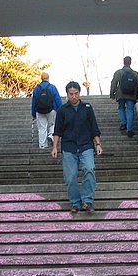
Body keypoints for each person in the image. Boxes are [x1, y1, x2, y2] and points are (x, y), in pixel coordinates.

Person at [51, 81, 102, 213]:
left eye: (76, 93)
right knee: (70, 176)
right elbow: (57, 130)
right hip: (69, 146)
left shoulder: (87, 107)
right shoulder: (62, 110)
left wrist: (98, 144)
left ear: (79, 93)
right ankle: (75, 203)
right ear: (67, 94)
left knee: (89, 169)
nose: (73, 96)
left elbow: (94, 128)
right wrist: (55, 147)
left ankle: (87, 201)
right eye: (71, 94)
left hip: (86, 145)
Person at [109, 56, 138, 137]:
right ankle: (129, 129)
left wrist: (112, 93)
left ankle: (123, 123)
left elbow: (114, 83)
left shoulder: (118, 72)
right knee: (130, 110)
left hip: (121, 94)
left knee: (121, 108)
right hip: (131, 94)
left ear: (123, 62)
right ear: (130, 62)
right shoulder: (135, 73)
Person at [30, 71, 62, 150]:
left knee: (42, 128)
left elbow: (34, 102)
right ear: (48, 78)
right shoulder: (52, 87)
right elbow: (57, 99)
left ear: (41, 79)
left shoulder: (37, 88)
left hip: (40, 111)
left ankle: (42, 145)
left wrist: (33, 113)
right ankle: (51, 135)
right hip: (51, 109)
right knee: (53, 124)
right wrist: (60, 110)